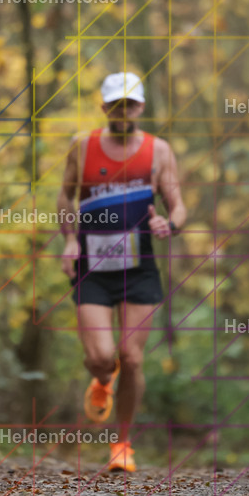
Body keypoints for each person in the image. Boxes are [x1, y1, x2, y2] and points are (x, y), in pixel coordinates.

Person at [57, 72, 186, 472]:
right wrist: (70, 239)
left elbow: (177, 204)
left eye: (130, 104)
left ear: (141, 107)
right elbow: (65, 195)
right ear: (104, 107)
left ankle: (122, 443)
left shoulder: (158, 151)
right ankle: (100, 378)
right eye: (115, 104)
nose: (122, 111)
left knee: (131, 358)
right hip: (92, 267)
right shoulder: (83, 147)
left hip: (139, 267)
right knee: (102, 357)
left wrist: (171, 224)